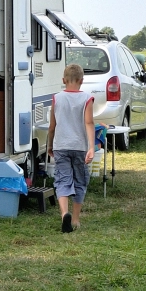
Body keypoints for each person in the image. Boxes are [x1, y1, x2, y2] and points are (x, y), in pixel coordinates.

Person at [46, 63, 95, 233]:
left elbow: (52, 126)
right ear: (82, 80)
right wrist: (91, 147)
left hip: (61, 146)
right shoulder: (87, 98)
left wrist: (50, 145)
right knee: (80, 181)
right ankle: (75, 219)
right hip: (80, 147)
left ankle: (64, 214)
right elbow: (89, 122)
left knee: (62, 180)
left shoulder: (56, 98)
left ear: (63, 80)